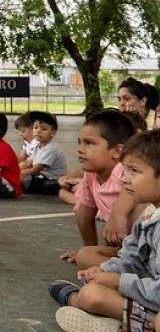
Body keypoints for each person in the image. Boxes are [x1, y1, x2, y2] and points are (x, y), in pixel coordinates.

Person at [49, 129, 160, 332]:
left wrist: (118, 282)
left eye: (134, 171)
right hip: (150, 292)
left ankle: (135, 327)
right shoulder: (149, 214)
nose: (124, 180)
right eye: (124, 171)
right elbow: (130, 258)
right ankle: (133, 325)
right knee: (93, 291)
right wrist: (102, 272)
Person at [59, 110, 145, 269]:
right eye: (80, 142)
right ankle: (132, 270)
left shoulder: (124, 169)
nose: (80, 149)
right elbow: (84, 214)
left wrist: (118, 213)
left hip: (151, 244)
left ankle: (138, 271)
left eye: (89, 143)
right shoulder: (90, 176)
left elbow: (132, 187)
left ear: (117, 151)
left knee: (139, 203)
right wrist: (90, 248)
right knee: (85, 257)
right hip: (126, 250)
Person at [20, 111, 67, 195]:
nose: (38, 131)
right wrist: (13, 168)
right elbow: (28, 163)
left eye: (44, 129)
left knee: (19, 177)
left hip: (52, 182)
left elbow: (35, 170)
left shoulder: (51, 148)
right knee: (15, 176)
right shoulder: (37, 146)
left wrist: (17, 173)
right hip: (40, 177)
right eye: (36, 127)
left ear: (53, 133)